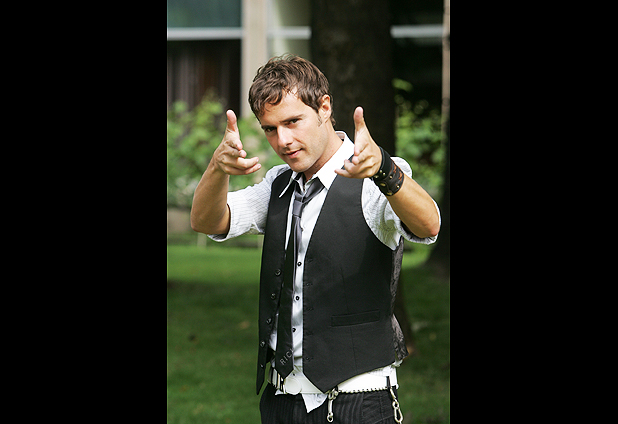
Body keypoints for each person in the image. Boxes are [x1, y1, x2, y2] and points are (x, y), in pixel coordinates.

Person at [191, 55, 440, 424]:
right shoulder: (277, 183)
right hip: (281, 401)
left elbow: (429, 225)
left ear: (324, 107)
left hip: (358, 401)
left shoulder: (376, 176)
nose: (283, 140)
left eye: (293, 122)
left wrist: (385, 170)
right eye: (270, 129)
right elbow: (206, 220)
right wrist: (217, 167)